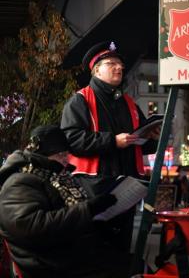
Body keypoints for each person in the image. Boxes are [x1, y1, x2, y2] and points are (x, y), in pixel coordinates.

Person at [61, 41, 160, 252]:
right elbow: (72, 140)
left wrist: (151, 137)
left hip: (127, 188)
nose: (119, 68)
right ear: (96, 69)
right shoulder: (80, 101)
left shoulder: (129, 103)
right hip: (94, 190)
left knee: (121, 248)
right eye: (112, 63)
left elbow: (138, 143)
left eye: (121, 64)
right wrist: (113, 141)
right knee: (95, 249)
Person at [0, 125, 127, 278]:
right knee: (125, 267)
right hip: (48, 264)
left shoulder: (53, 176)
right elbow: (32, 226)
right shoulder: (19, 181)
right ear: (43, 155)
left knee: (127, 260)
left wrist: (96, 219)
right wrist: (88, 210)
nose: (66, 160)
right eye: (61, 155)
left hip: (64, 252)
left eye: (67, 154)